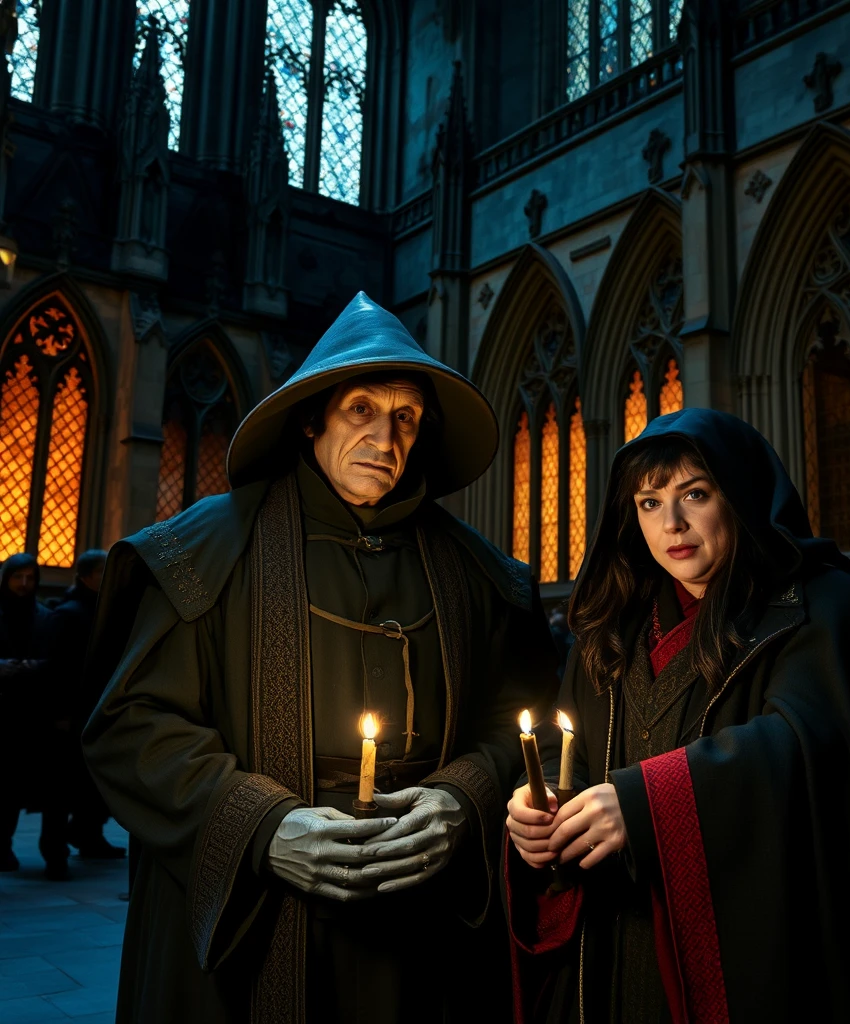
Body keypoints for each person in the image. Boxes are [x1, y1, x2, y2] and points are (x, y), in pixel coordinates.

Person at [83, 291, 558, 1024]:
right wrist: (264, 826)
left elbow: (520, 725)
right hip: (260, 925)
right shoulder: (205, 551)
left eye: (406, 418)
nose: (385, 438)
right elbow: (132, 725)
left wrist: (462, 799)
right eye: (362, 409)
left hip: (421, 935)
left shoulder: (477, 574)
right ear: (312, 419)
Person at [504, 408, 850, 1024]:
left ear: (737, 494)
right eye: (649, 502)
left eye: (695, 493)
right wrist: (546, 818)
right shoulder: (608, 630)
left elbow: (807, 750)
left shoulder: (824, 610)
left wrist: (642, 805)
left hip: (757, 957)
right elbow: (573, 765)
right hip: (610, 955)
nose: (673, 524)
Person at [41, 549, 124, 862]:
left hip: (99, 709)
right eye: (103, 571)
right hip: (72, 712)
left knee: (96, 781)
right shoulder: (68, 613)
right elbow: (57, 669)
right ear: (87, 575)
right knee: (61, 788)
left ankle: (90, 836)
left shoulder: (108, 608)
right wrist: (59, 713)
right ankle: (55, 851)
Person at [0, 553, 52, 874]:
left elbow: (58, 659)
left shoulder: (44, 616)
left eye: (30, 578)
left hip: (23, 715)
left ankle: (3, 844)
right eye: (17, 577)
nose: (23, 584)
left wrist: (34, 667)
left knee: (10, 787)